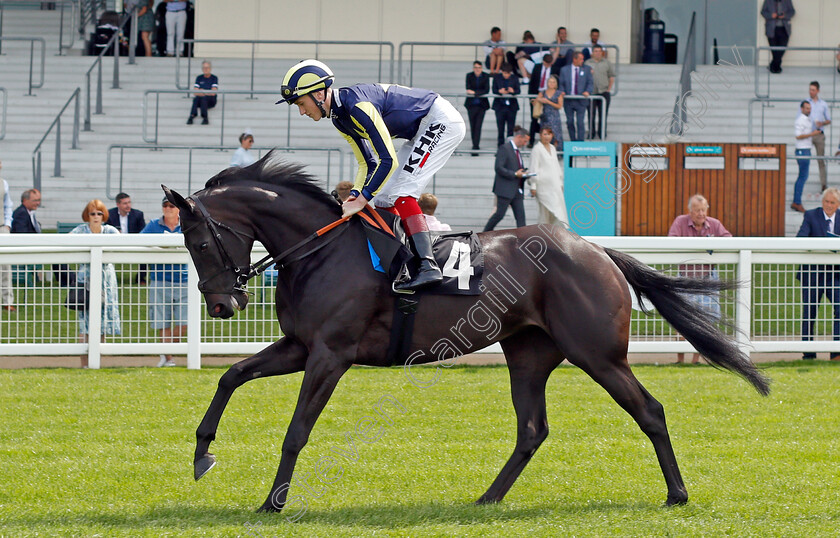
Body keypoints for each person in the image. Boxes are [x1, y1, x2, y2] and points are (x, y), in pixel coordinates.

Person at [277, 59, 466, 291]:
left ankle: (428, 266)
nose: (301, 111)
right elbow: (367, 163)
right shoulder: (340, 118)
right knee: (385, 198)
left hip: (441, 121)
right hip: (420, 129)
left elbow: (388, 160)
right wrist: (356, 194)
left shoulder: (357, 107)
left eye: (301, 103)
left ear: (318, 93)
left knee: (402, 193)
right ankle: (400, 262)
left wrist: (363, 198)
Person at [667, 194, 732, 364]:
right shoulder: (680, 222)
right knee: (681, 319)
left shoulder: (715, 224)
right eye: (697, 210)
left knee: (704, 320)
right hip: (685, 279)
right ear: (690, 211)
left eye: (703, 210)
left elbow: (729, 240)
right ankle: (680, 359)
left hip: (707, 278)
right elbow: (670, 241)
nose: (701, 214)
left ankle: (695, 360)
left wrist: (713, 243)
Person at [70, 200, 121, 368]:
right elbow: (66, 242)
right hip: (85, 280)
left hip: (106, 280)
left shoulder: (111, 231)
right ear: (88, 216)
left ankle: (97, 362)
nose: (96, 217)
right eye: (93, 213)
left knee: (103, 321)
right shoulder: (80, 231)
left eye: (99, 213)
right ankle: (84, 363)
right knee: (85, 321)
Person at [141, 197, 187, 367]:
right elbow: (140, 241)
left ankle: (166, 350)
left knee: (184, 322)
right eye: (165, 205)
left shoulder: (186, 224)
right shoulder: (154, 224)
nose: (168, 208)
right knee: (162, 321)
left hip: (184, 280)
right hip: (160, 279)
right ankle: (168, 358)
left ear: (178, 209)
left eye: (171, 205)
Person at [797, 188, 840, 360]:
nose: (828, 206)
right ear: (822, 202)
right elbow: (801, 239)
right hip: (812, 273)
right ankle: (808, 354)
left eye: (832, 203)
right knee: (809, 312)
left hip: (835, 274)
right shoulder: (810, 215)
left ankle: (836, 352)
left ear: (838, 204)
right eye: (826, 202)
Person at [483, 126, 529, 231]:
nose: (525, 144)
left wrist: (524, 173)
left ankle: (524, 241)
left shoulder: (516, 151)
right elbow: (498, 168)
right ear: (519, 137)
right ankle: (483, 234)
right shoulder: (505, 148)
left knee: (521, 218)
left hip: (517, 190)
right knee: (499, 215)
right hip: (505, 189)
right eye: (525, 141)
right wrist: (514, 174)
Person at [528, 127, 568, 227]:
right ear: (540, 135)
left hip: (554, 186)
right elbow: (533, 168)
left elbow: (556, 167)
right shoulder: (537, 149)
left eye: (549, 134)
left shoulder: (553, 148)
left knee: (558, 211)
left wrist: (560, 183)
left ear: (552, 136)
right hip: (543, 186)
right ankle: (543, 234)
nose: (547, 137)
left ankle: (555, 234)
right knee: (545, 212)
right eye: (544, 134)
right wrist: (533, 185)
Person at [107, 192, 147, 284]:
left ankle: (141, 278)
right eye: (125, 203)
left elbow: (142, 231)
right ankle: (107, 277)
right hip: (115, 244)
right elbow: (107, 230)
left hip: (134, 243)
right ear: (118, 204)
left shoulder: (138, 214)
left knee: (145, 252)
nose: (128, 205)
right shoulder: (110, 214)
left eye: (129, 202)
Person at [792, 100, 820, 213]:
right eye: (807, 108)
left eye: (810, 108)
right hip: (802, 150)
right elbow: (798, 136)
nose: (809, 110)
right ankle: (796, 202)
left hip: (806, 149)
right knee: (802, 176)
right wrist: (812, 134)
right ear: (802, 109)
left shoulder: (808, 120)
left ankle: (797, 201)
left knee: (803, 176)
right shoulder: (800, 120)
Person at [559, 52, 593, 142]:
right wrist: (562, 91)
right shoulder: (564, 70)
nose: (583, 61)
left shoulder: (587, 69)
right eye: (581, 59)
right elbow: (561, 83)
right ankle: (573, 141)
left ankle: (580, 142)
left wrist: (587, 91)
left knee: (580, 122)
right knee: (570, 121)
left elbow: (590, 82)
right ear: (575, 59)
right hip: (568, 100)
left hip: (581, 100)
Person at [585, 44, 615, 139]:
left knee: (603, 114)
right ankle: (591, 133)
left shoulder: (607, 63)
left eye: (599, 51)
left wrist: (609, 89)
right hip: (591, 93)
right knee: (591, 114)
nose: (598, 53)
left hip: (604, 92)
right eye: (596, 51)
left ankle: (602, 133)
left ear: (602, 52)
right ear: (592, 52)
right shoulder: (587, 63)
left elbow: (611, 76)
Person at [807, 81, 830, 193]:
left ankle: (823, 184)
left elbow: (828, 120)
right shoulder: (806, 103)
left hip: (819, 134)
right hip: (808, 134)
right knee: (804, 158)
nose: (811, 92)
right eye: (810, 89)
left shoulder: (823, 104)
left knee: (821, 159)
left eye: (813, 90)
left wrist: (822, 123)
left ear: (818, 91)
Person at [528, 53, 556, 144]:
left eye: (549, 64)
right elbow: (532, 83)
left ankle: (547, 140)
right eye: (546, 63)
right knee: (534, 118)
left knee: (547, 119)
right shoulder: (537, 67)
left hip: (548, 95)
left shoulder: (554, 69)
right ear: (543, 61)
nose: (547, 65)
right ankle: (531, 141)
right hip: (537, 94)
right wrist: (531, 97)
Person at [761, 0, 795, 74]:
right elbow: (763, 12)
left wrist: (784, 15)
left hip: (784, 29)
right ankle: (776, 68)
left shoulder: (787, 1)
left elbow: (792, 12)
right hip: (771, 29)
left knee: (782, 48)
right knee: (774, 49)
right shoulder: (768, 1)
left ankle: (773, 66)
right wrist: (771, 15)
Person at [464, 61, 491, 154]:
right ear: (473, 68)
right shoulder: (469, 76)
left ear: (482, 68)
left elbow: (486, 90)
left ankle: (476, 146)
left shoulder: (486, 76)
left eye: (479, 67)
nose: (477, 69)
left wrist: (475, 92)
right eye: (475, 67)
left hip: (481, 105)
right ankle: (474, 144)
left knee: (478, 125)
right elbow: (468, 88)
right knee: (473, 125)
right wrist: (478, 92)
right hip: (471, 105)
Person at [492, 63, 520, 148]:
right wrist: (500, 92)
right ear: (502, 71)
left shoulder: (515, 78)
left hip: (511, 107)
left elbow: (518, 91)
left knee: (510, 129)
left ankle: (510, 147)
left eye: (508, 73)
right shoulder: (497, 78)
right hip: (500, 106)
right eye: (505, 73)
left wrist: (512, 91)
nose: (507, 75)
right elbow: (494, 90)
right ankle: (500, 147)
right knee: (500, 128)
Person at [536, 75, 564, 150]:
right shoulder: (543, 92)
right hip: (545, 116)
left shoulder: (559, 93)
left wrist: (548, 102)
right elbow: (537, 99)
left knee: (556, 134)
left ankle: (557, 151)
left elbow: (559, 106)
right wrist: (540, 100)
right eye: (550, 82)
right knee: (545, 133)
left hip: (554, 116)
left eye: (553, 82)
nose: (551, 84)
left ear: (556, 84)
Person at [187, 60, 218, 125]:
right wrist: (206, 92)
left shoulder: (214, 78)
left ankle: (205, 117)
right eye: (204, 68)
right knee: (196, 99)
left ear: (210, 68)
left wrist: (202, 90)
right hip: (200, 100)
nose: (205, 69)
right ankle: (192, 116)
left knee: (203, 98)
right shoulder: (199, 78)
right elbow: (195, 92)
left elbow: (213, 93)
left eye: (207, 67)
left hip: (211, 101)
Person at [0, 161, 13, 312]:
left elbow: (7, 206)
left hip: (1, 228)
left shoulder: (4, 184)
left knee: (5, 266)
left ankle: (7, 301)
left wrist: (7, 225)